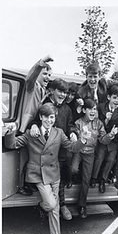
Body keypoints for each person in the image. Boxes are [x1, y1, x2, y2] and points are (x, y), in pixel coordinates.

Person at [4, 103, 91, 234]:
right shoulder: (32, 133)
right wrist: (10, 131)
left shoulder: (58, 133)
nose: (50, 120)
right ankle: (41, 206)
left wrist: (83, 140)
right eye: (47, 117)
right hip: (38, 175)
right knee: (51, 205)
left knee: (54, 209)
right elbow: (11, 144)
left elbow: (72, 147)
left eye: (53, 117)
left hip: (54, 174)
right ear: (41, 117)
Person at [29, 78, 77, 221]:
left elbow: (70, 125)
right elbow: (34, 119)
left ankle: (60, 205)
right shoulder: (43, 104)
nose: (63, 95)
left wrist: (73, 132)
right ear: (52, 90)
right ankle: (53, 205)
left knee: (61, 176)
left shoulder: (67, 109)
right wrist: (33, 126)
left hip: (61, 150)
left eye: (65, 92)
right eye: (60, 91)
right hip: (44, 152)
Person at [71, 99, 118, 218]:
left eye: (95, 109)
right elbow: (73, 137)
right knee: (73, 170)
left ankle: (82, 205)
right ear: (84, 110)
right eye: (90, 109)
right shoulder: (78, 122)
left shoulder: (99, 124)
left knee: (86, 179)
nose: (93, 111)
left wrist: (110, 135)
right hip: (78, 151)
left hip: (90, 154)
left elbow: (103, 139)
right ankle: (72, 178)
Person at [17, 55, 53, 196]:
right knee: (24, 159)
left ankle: (29, 183)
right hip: (25, 127)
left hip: (34, 127)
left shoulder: (44, 91)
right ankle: (20, 186)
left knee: (32, 159)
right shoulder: (33, 86)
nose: (47, 77)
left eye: (49, 75)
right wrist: (40, 64)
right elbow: (30, 77)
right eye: (45, 74)